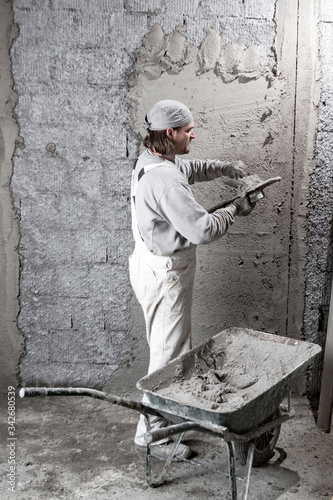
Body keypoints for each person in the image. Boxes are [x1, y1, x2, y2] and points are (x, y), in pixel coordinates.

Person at [129, 99, 255, 460]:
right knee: (168, 359)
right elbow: (202, 230)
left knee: (166, 350)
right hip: (166, 277)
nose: (193, 134)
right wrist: (236, 208)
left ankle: (162, 424)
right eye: (188, 130)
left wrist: (225, 168)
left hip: (148, 265)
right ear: (170, 133)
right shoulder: (165, 180)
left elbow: (189, 168)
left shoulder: (152, 161)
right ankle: (151, 437)